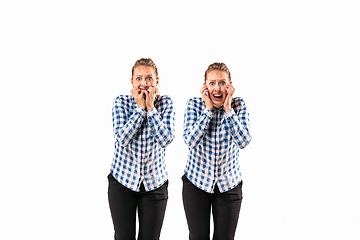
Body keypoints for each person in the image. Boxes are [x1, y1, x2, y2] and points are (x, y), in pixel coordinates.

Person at [182, 62, 252, 240]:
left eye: (222, 82)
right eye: (212, 83)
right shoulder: (194, 105)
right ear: (205, 86)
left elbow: (243, 141)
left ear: (230, 85)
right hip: (196, 184)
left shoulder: (238, 105)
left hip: (229, 186)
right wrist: (208, 110)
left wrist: (228, 109)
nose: (217, 88)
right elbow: (190, 141)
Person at [108, 58, 175, 240]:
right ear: (131, 82)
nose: (144, 84)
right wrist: (139, 108)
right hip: (123, 183)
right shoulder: (120, 102)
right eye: (138, 78)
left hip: (155, 185)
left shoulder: (166, 103)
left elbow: (166, 139)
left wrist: (151, 108)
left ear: (157, 81)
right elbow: (122, 138)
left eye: (149, 78)